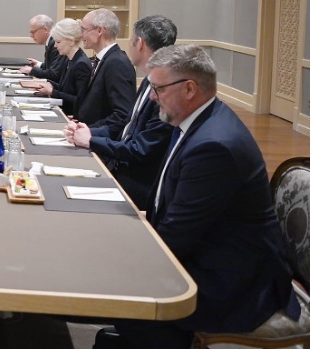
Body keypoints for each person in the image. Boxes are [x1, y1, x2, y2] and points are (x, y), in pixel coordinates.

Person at [97, 44, 303, 347]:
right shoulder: (194, 121)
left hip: (230, 281)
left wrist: (117, 249)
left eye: (158, 89)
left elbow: (176, 239)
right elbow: (174, 210)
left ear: (189, 89)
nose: (152, 97)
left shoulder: (213, 146)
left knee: (119, 288)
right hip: (210, 249)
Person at [64, 15, 177, 209]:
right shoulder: (149, 81)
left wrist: (91, 139)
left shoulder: (162, 91)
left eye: (131, 41)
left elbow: (140, 147)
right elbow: (128, 125)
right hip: (120, 162)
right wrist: (90, 132)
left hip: (135, 181)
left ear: (139, 44)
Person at [73, 8, 136, 139]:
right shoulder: (103, 59)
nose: (81, 35)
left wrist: (89, 131)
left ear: (100, 30)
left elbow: (122, 115)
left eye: (84, 30)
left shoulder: (117, 63)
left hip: (99, 141)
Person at [31, 18, 90, 115]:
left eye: (58, 42)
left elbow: (80, 101)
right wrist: (46, 83)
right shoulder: (69, 59)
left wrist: (52, 92)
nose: (55, 46)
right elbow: (64, 88)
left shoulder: (81, 64)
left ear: (71, 41)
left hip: (71, 116)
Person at [19, 14, 66, 82]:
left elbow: (54, 74)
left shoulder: (55, 44)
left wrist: (32, 70)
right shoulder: (50, 42)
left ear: (45, 29)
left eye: (33, 32)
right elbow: (52, 66)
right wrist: (38, 64)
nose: (31, 36)